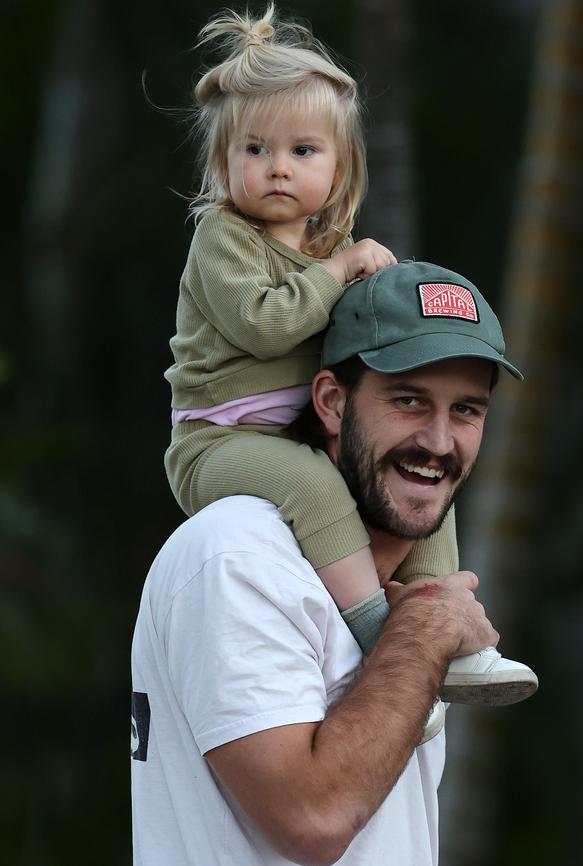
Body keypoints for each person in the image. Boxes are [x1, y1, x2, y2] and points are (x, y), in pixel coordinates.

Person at [163, 5, 536, 706]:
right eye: (255, 150)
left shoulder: (329, 252)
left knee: (428, 482)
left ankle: (453, 632)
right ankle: (381, 643)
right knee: (311, 484)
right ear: (224, 161)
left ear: (339, 169)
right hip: (217, 442)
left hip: (298, 430)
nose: (277, 169)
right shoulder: (222, 237)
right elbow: (264, 326)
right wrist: (338, 274)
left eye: (302, 151)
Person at [131, 260, 532, 865]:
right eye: (409, 401)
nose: (440, 442)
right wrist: (422, 630)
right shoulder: (238, 554)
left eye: (467, 410)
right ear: (332, 403)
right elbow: (313, 818)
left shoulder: (410, 590)